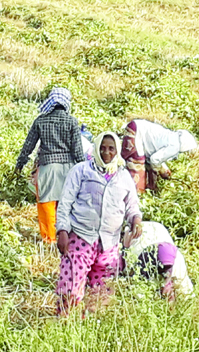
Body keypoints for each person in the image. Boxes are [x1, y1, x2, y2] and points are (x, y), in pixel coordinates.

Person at [55, 132, 143, 314]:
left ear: (117, 151)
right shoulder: (81, 170)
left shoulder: (123, 177)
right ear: (96, 149)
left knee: (102, 292)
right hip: (81, 238)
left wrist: (136, 220)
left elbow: (132, 206)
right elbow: (65, 202)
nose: (106, 153)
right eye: (102, 148)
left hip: (109, 243)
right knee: (71, 286)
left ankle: (93, 327)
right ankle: (65, 325)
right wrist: (62, 230)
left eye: (111, 148)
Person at [16, 87, 88, 243]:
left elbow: (28, 145)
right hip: (67, 169)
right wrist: (84, 171)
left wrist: (20, 164)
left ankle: (49, 239)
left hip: (47, 168)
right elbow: (77, 150)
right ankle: (67, 236)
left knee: (46, 203)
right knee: (65, 203)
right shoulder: (71, 121)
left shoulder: (41, 120)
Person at [120, 120, 199, 194]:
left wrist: (163, 168)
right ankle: (134, 194)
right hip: (137, 133)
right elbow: (154, 160)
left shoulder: (172, 137)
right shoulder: (175, 147)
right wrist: (157, 172)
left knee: (141, 163)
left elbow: (156, 153)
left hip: (135, 126)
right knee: (137, 166)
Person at [121, 220, 193, 301]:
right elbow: (135, 291)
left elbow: (188, 295)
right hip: (135, 233)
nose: (166, 273)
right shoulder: (140, 264)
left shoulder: (178, 267)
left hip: (158, 232)